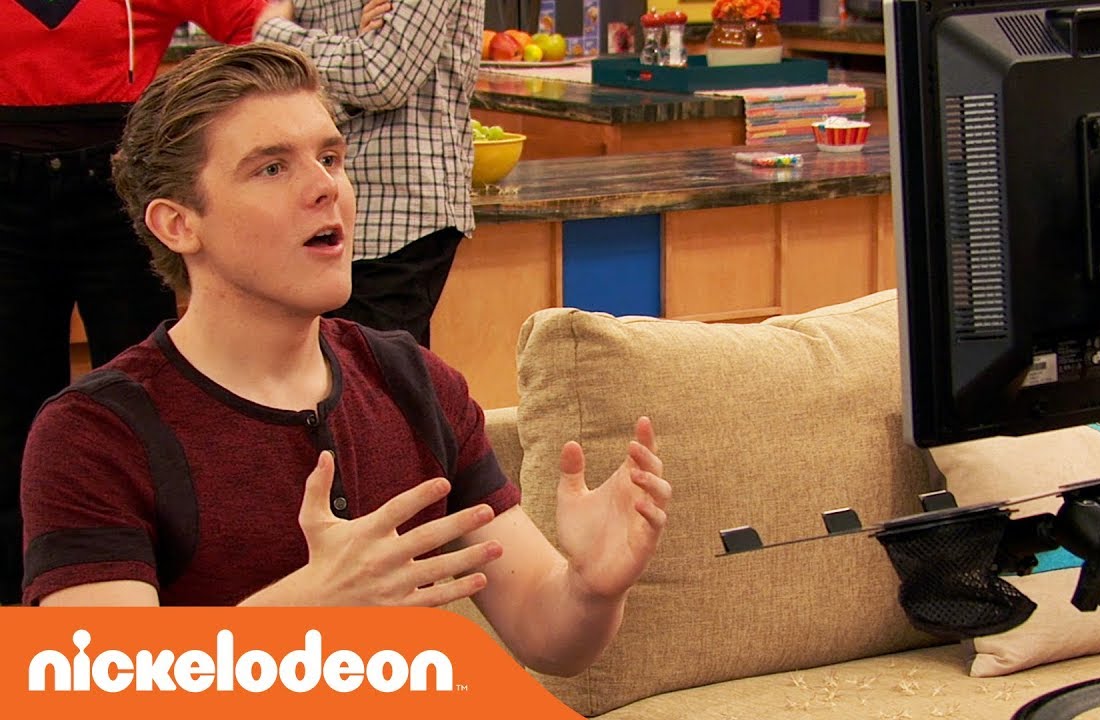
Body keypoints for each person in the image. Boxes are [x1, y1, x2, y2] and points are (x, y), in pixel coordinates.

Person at [20, 42, 670, 676]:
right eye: (272, 168)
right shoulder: (93, 434)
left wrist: (590, 587)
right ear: (178, 224)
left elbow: (549, 638)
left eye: (330, 157)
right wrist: (304, 611)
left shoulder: (413, 382)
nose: (325, 187)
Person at [0, 0, 279, 606]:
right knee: (6, 406)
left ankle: (163, 577)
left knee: (148, 393)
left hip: (117, 185)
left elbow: (255, 22)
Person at [253, 0, 481, 348]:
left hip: (396, 212)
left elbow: (380, 76)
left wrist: (272, 32)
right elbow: (282, 90)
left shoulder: (278, 22)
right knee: (316, 369)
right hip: (314, 207)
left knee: (371, 372)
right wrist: (346, 64)